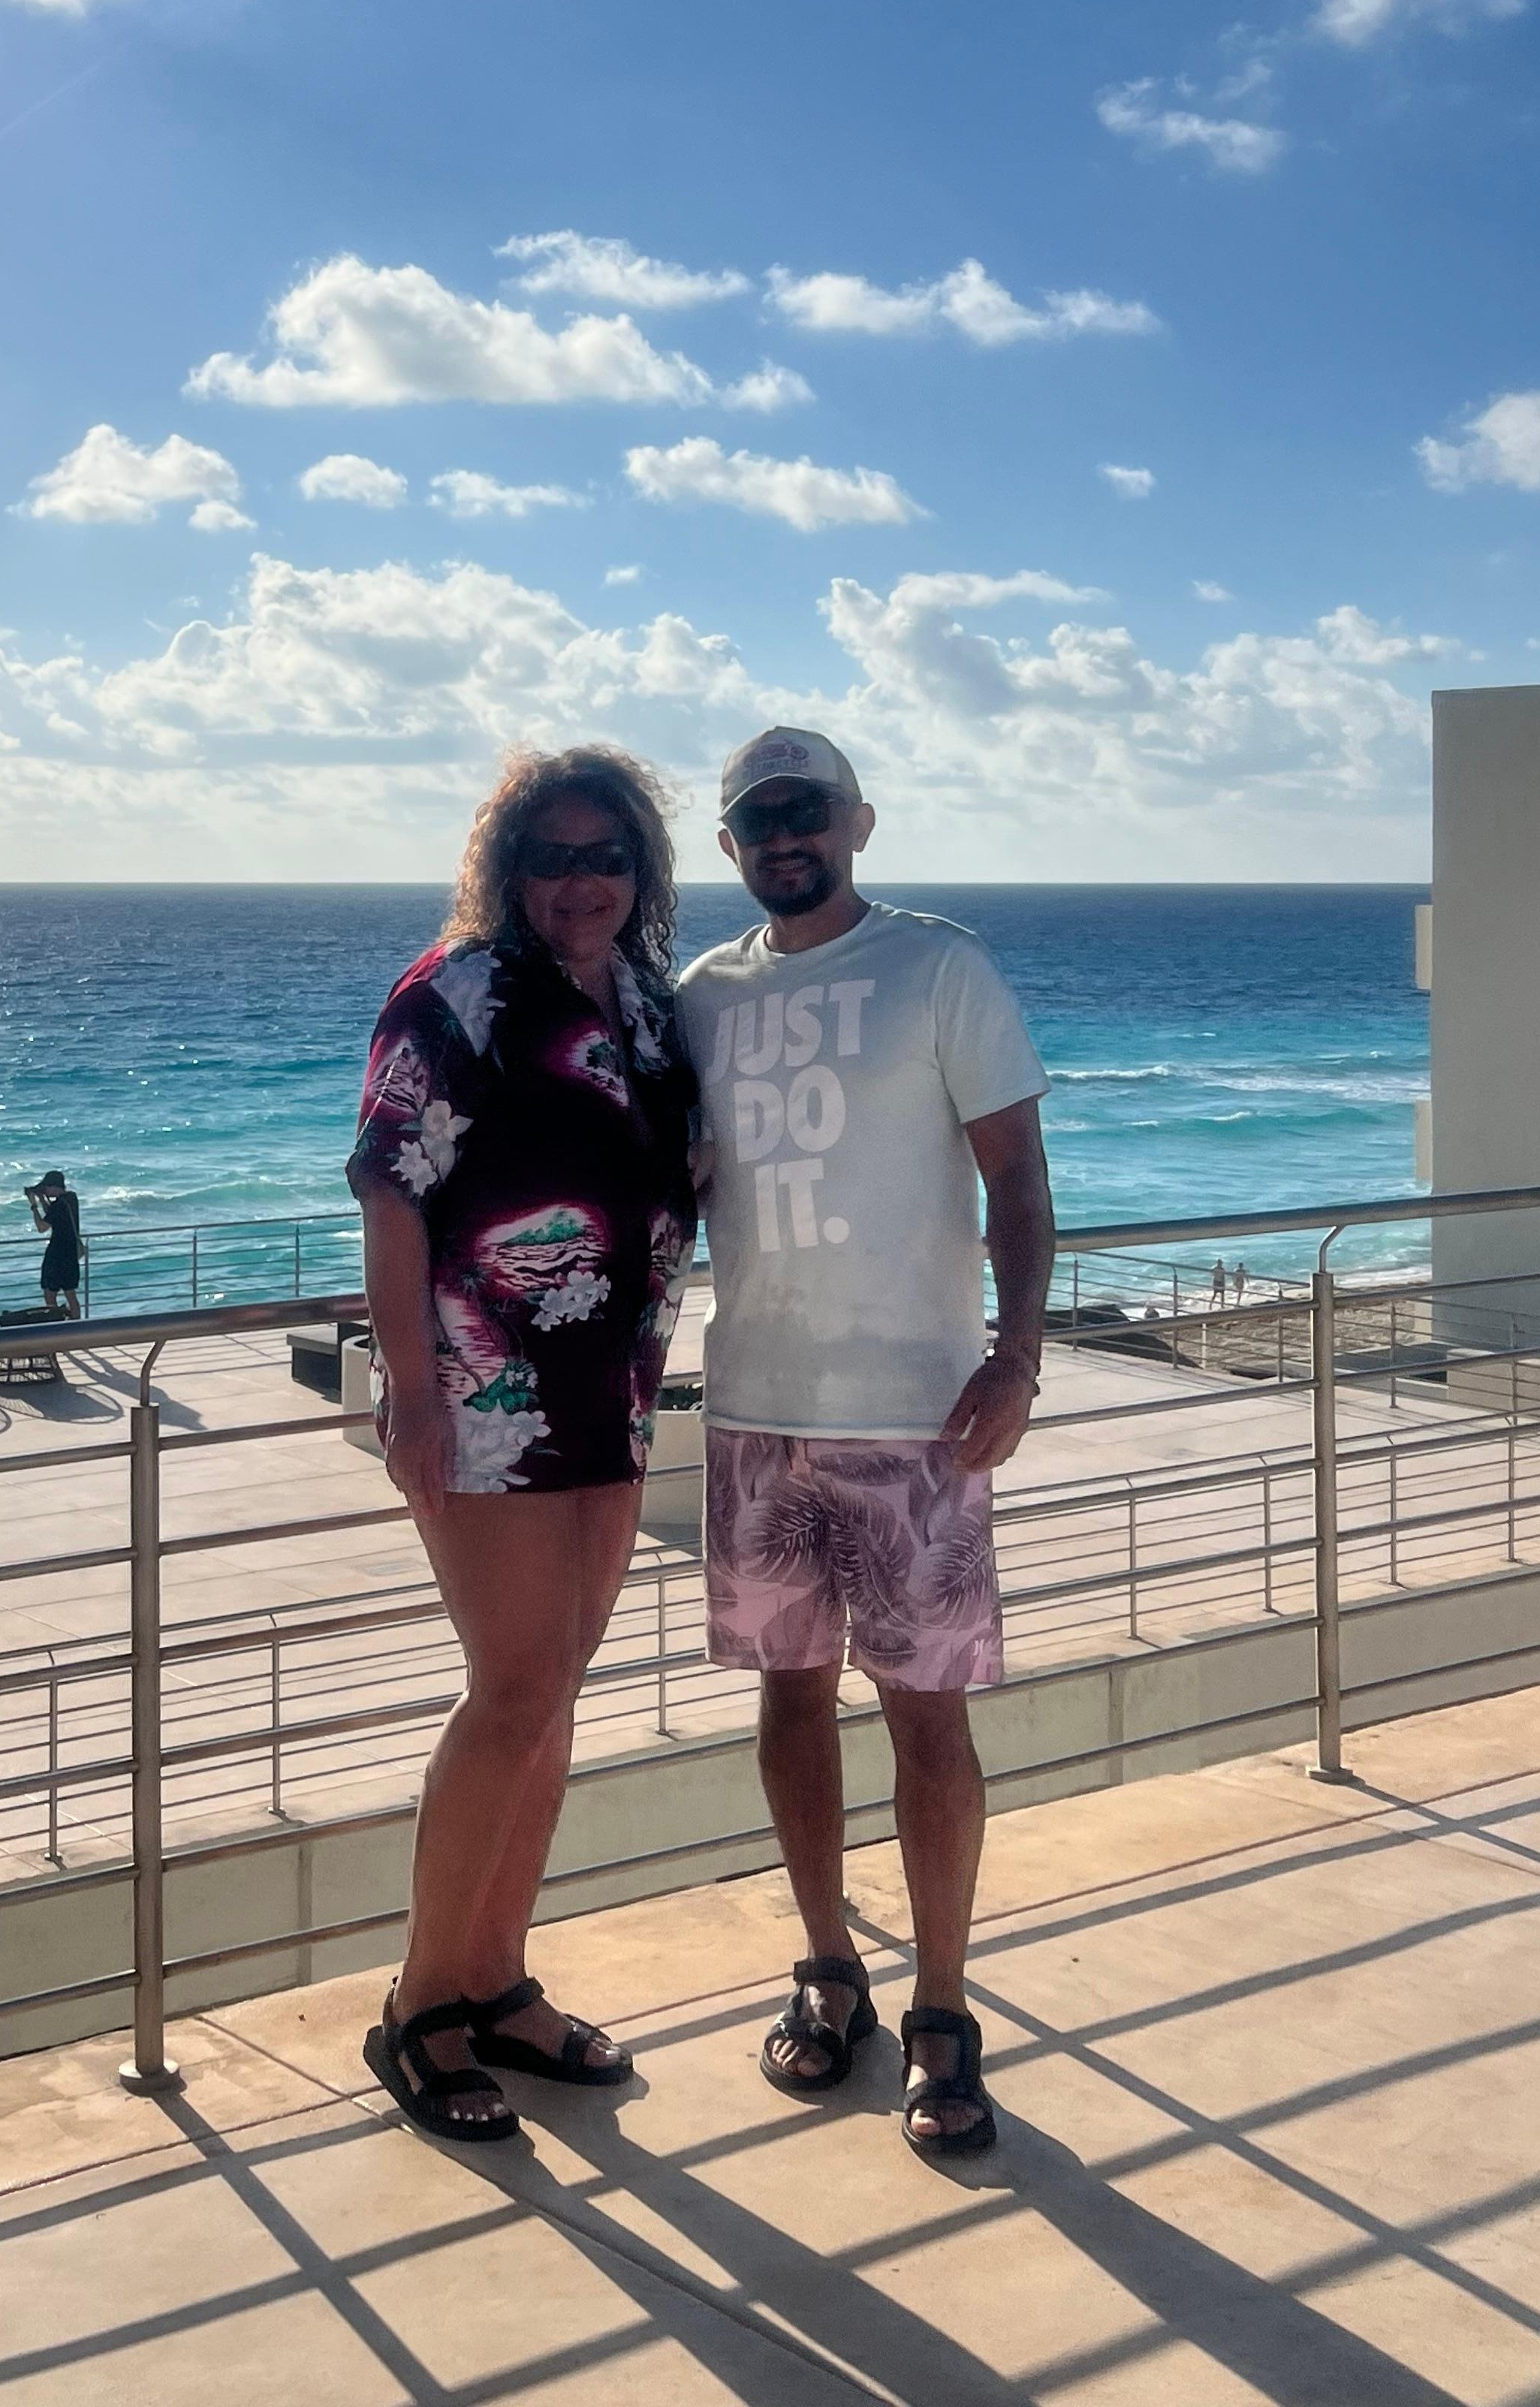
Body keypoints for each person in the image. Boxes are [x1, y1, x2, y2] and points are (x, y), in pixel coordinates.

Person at [677, 728, 1053, 2159]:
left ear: (857, 822)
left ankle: (942, 2011)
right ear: (727, 848)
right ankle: (827, 1967)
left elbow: (1015, 1177)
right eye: (755, 818)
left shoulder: (938, 967)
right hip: (756, 1407)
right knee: (785, 1704)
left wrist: (1013, 1358)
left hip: (916, 1417)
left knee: (924, 1717)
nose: (783, 834)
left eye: (806, 810)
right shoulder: (697, 997)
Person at [349, 746, 698, 2144]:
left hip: (612, 1386)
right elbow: (390, 1189)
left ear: (639, 870)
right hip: (486, 1386)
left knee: (555, 1688)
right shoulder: (457, 994)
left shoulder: (652, 1007)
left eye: (603, 855)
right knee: (509, 1687)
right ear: (508, 868)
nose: (578, 881)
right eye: (549, 856)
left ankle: (496, 1976)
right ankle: (418, 2002)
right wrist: (414, 1383)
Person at [25, 1171, 83, 1315]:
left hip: (57, 1254)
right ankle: (77, 1327)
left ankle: (55, 1322)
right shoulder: (71, 1198)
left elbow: (42, 1227)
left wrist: (34, 1206)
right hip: (71, 1253)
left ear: (54, 1187)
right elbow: (53, 1216)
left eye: (47, 1188)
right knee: (71, 1294)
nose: (45, 1191)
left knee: (50, 1294)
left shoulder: (58, 1206)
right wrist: (43, 1199)